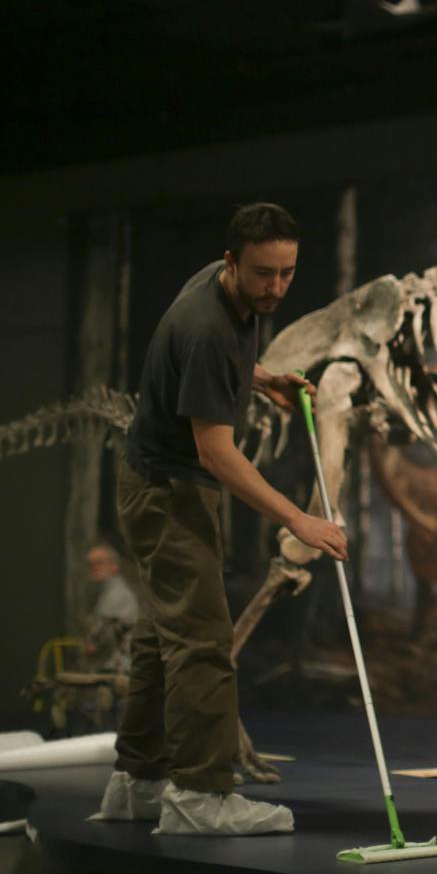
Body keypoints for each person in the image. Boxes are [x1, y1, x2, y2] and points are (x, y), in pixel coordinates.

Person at [92, 203, 347, 836]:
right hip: (170, 488)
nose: (277, 288)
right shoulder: (208, 325)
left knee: (161, 638)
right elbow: (217, 452)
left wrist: (258, 380)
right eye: (265, 274)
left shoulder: (224, 288)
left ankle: (138, 782)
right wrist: (300, 522)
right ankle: (200, 797)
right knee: (204, 642)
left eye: (288, 273)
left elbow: (207, 370)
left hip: (165, 479)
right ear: (233, 262)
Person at [82, 543, 139, 675]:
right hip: (110, 667)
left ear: (114, 566)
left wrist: (91, 643)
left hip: (117, 670)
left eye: (99, 563)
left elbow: (95, 640)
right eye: (91, 564)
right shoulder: (104, 593)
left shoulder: (117, 593)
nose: (94, 568)